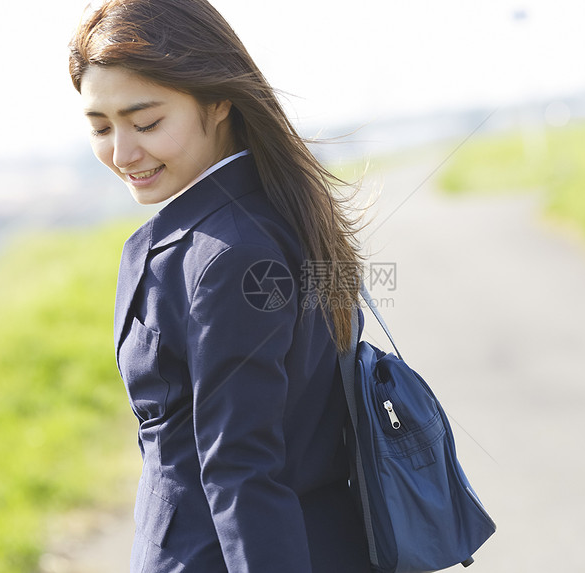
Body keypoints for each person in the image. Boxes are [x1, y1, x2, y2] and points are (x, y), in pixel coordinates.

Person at [68, 1, 371, 571]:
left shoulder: (227, 253)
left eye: (147, 122)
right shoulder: (275, 211)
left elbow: (243, 470)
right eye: (101, 127)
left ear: (218, 100)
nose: (123, 153)